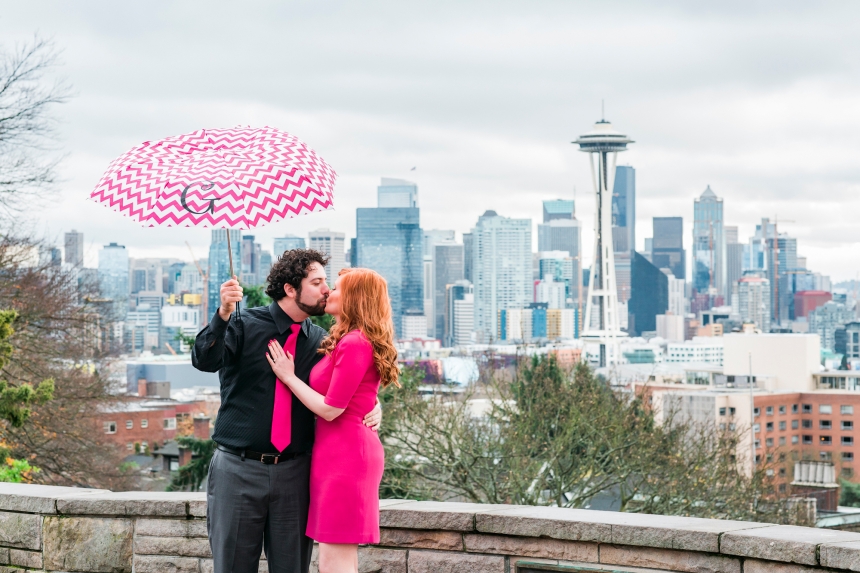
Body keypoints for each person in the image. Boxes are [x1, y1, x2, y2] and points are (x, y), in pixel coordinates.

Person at [192, 250, 382, 573]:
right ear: (291, 289)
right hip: (238, 471)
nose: (326, 290)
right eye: (318, 282)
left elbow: (350, 383)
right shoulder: (243, 324)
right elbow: (204, 360)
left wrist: (375, 406)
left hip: (296, 474)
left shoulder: (322, 341)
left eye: (327, 282)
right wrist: (223, 312)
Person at [265, 267, 398, 573]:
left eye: (336, 288)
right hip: (337, 453)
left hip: (346, 456)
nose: (329, 292)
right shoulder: (347, 340)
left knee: (333, 561)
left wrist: (288, 376)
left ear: (354, 298)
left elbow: (330, 409)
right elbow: (355, 392)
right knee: (338, 557)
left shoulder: (354, 342)